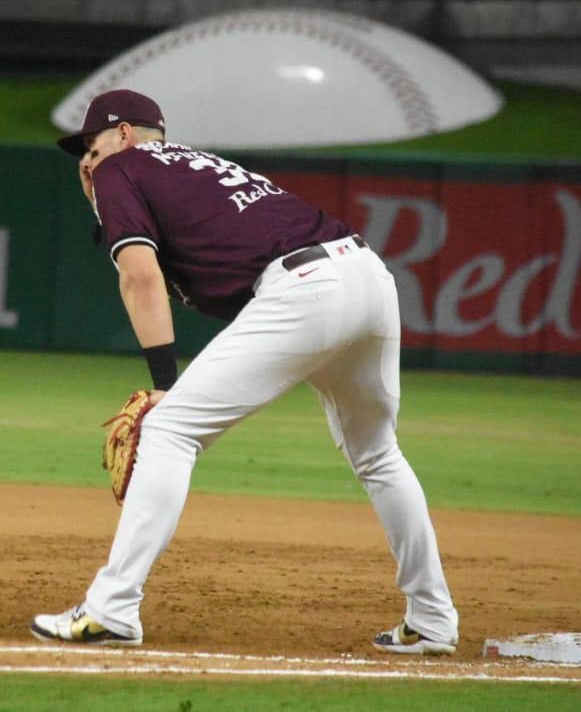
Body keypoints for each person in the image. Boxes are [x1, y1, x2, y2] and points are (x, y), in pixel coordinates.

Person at [30, 90, 459, 654]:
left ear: (126, 134)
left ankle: (113, 609)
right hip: (367, 275)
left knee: (169, 429)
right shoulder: (198, 164)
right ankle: (432, 619)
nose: (88, 159)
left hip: (307, 289)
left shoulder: (122, 167)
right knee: (378, 453)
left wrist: (165, 383)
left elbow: (140, 277)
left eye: (93, 142)